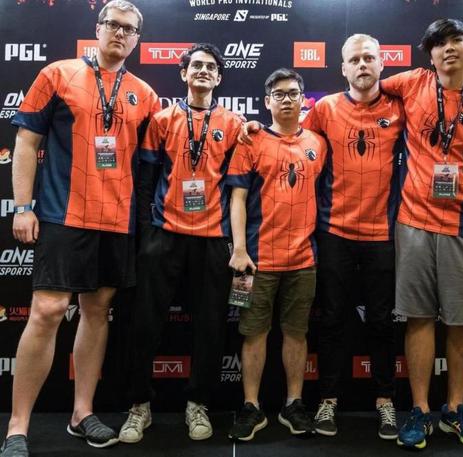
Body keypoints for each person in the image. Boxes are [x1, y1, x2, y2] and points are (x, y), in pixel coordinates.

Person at [0, 2, 159, 455]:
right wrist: (23, 207)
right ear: (98, 27)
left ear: (137, 39)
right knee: (48, 311)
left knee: (97, 311)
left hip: (117, 220)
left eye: (130, 29)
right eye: (113, 24)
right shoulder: (58, 73)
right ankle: (17, 427)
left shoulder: (145, 94)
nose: (120, 33)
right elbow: (26, 142)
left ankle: (81, 413)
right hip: (61, 215)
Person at [380, 19, 463, 450]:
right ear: (430, 54)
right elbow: (365, 89)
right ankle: (420, 411)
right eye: (439, 43)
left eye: (456, 41)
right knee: (419, 318)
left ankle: (455, 410)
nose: (448, 48)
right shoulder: (412, 82)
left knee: (461, 321)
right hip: (414, 224)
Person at [118, 43, 242, 443]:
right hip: (165, 234)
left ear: (219, 77)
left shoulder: (234, 124)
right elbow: (145, 181)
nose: (203, 71)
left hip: (212, 238)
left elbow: (241, 188)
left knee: (210, 326)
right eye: (196, 66)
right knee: (145, 324)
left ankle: (197, 403)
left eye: (211, 67)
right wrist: (146, 236)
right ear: (184, 74)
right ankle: (139, 405)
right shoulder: (162, 119)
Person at [301, 34, 405, 440]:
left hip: (382, 234)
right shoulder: (324, 108)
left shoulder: (400, 108)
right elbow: (293, 143)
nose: (362, 65)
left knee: (381, 321)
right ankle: (328, 400)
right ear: (343, 68)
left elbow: (442, 100)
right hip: (335, 232)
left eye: (369, 58)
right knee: (331, 319)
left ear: (382, 64)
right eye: (355, 60)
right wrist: (255, 129)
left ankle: (385, 401)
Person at [227, 68, 327, 441]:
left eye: (293, 93)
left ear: (303, 99)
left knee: (297, 333)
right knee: (253, 333)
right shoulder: (250, 140)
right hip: (254, 262)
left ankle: (293, 404)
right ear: (267, 101)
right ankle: (251, 406)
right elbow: (237, 198)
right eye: (279, 94)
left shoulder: (318, 143)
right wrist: (239, 249)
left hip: (303, 260)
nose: (287, 99)